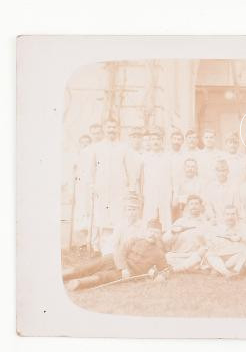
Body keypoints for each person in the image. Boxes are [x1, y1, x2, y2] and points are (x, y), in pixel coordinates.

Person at [63, 214, 168, 291]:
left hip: (130, 272)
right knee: (90, 267)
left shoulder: (159, 254)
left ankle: (79, 283)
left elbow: (166, 268)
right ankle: (63, 275)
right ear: (146, 231)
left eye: (156, 232)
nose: (152, 234)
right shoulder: (135, 240)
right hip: (115, 260)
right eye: (150, 231)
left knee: (105, 277)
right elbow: (121, 251)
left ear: (160, 235)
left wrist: (162, 276)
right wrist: (123, 268)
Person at [89, 119, 129, 253]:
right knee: (102, 217)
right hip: (102, 187)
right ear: (104, 129)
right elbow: (91, 168)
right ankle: (100, 248)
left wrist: (128, 186)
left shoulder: (124, 147)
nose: (111, 130)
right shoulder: (96, 147)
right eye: (109, 127)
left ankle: (116, 248)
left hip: (118, 187)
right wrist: (92, 185)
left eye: (114, 127)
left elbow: (128, 168)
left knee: (118, 216)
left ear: (118, 129)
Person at [204, 204, 246, 278]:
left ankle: (223, 270)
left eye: (233, 214)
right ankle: (227, 273)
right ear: (223, 216)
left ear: (237, 216)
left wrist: (241, 239)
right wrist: (211, 245)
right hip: (221, 259)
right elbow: (211, 246)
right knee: (209, 254)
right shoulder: (218, 229)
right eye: (227, 214)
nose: (230, 217)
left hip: (237, 258)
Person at [163, 195, 209, 272]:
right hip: (179, 255)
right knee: (167, 257)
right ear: (187, 207)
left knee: (204, 255)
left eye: (196, 204)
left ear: (201, 206)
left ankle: (175, 269)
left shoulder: (205, 223)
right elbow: (165, 241)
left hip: (195, 255)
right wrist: (173, 232)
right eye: (191, 204)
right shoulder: (180, 221)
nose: (194, 206)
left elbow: (208, 244)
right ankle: (191, 267)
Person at [141, 130, 173, 230]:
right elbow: (142, 177)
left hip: (165, 191)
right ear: (150, 142)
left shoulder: (168, 157)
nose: (155, 142)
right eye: (153, 139)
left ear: (162, 141)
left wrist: (173, 194)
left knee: (165, 217)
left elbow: (172, 177)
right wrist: (142, 193)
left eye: (158, 139)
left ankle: (166, 236)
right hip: (150, 191)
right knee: (149, 216)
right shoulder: (144, 157)